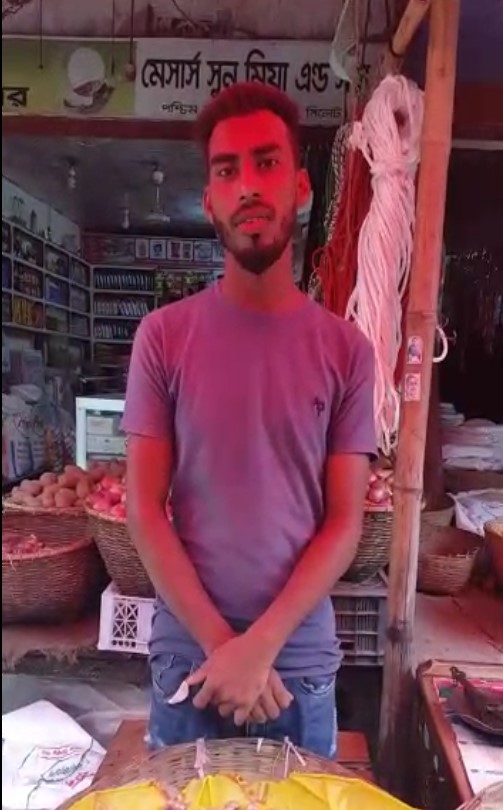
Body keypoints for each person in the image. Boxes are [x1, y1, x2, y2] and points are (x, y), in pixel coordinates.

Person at [122, 82, 376, 757]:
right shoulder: (163, 338)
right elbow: (143, 510)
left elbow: (344, 522)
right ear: (209, 199)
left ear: (300, 187)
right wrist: (223, 648)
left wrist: (259, 648)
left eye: (266, 163)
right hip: (191, 660)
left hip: (295, 666)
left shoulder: (347, 352)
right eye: (227, 170)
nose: (248, 187)